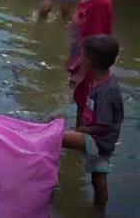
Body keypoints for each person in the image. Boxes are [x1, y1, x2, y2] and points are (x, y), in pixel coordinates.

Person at [62, 35, 123, 210]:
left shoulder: (105, 90)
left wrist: (83, 129)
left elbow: (104, 124)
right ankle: (99, 209)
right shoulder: (102, 79)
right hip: (103, 140)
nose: (81, 59)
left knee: (58, 138)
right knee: (98, 177)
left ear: (92, 61)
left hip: (98, 139)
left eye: (84, 56)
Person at [67, 0, 112, 127]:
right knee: (81, 104)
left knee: (85, 109)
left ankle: (78, 140)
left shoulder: (100, 4)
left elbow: (94, 44)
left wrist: (82, 72)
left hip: (90, 67)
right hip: (83, 61)